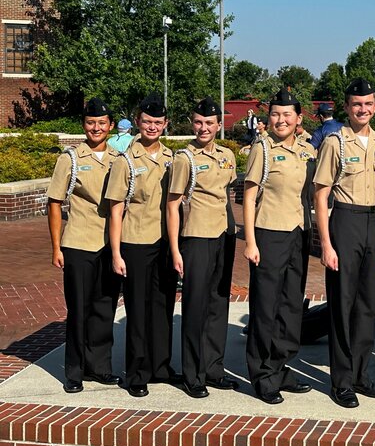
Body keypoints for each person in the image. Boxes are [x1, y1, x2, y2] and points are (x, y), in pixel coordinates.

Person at [314, 77, 375, 408]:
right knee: (343, 304)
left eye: (368, 104)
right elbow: (321, 194)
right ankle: (342, 380)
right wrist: (327, 245)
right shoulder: (336, 142)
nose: (363, 109)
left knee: (366, 304)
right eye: (356, 104)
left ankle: (361, 374)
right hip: (344, 221)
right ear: (347, 108)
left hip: (372, 223)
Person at [242, 89, 315, 404]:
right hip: (269, 233)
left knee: (290, 306)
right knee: (266, 307)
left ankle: (280, 366)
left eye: (287, 115)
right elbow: (248, 195)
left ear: (299, 119)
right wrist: (250, 241)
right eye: (275, 114)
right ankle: (261, 375)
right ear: (268, 118)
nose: (281, 120)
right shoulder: (263, 149)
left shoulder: (307, 150)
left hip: (299, 233)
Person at [105, 93, 179, 397]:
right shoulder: (125, 161)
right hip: (135, 242)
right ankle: (136, 372)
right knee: (137, 309)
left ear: (165, 124)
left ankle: (160, 365)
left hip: (164, 241)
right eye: (147, 121)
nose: (152, 127)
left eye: (158, 122)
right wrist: (116, 252)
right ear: (138, 122)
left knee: (162, 305)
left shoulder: (171, 158)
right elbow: (115, 208)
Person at [46, 98, 122, 393]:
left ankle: (99, 367)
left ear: (111, 126)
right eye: (91, 123)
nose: (96, 128)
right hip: (78, 242)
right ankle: (75, 371)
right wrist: (56, 247)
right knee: (78, 308)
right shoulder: (71, 159)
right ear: (84, 125)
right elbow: (54, 203)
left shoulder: (119, 159)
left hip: (110, 243)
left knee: (105, 307)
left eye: (102, 123)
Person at [166, 97, 238, 399]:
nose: (203, 128)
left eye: (209, 123)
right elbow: (172, 205)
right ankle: (193, 374)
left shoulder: (227, 155)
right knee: (195, 306)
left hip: (223, 235)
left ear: (219, 125)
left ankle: (213, 368)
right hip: (196, 237)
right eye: (198, 122)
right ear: (192, 124)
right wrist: (175, 250)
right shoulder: (186, 158)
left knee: (218, 303)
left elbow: (226, 193)